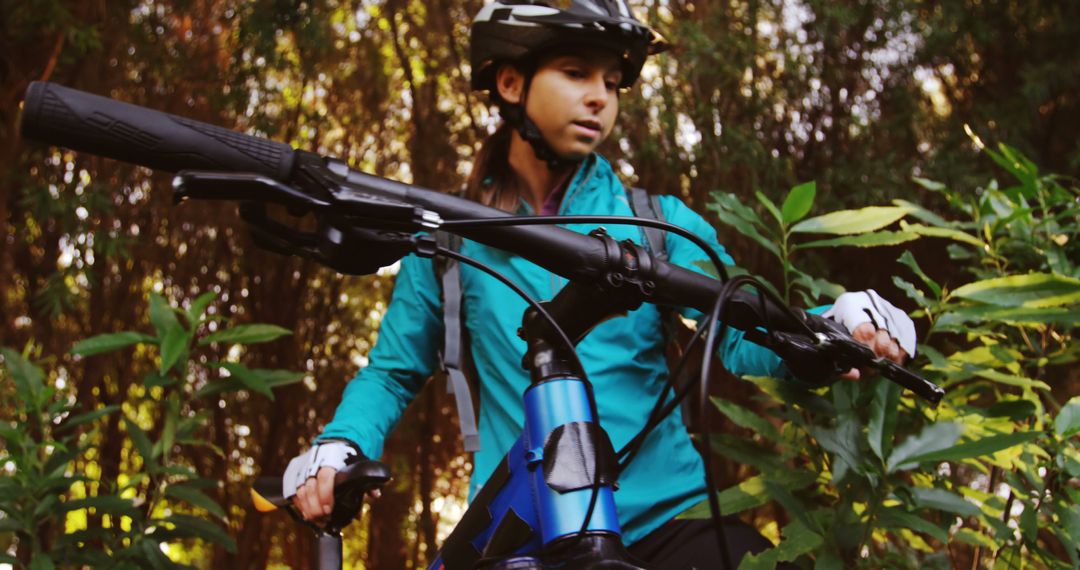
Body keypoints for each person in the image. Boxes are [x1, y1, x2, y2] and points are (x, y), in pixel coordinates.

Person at [283, 1, 916, 567]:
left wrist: (832, 323)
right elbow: (394, 371)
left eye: (612, 82)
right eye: (576, 72)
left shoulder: (660, 226)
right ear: (510, 81)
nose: (600, 97)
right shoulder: (449, 240)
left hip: (671, 522)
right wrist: (340, 444)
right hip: (522, 526)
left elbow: (739, 334)